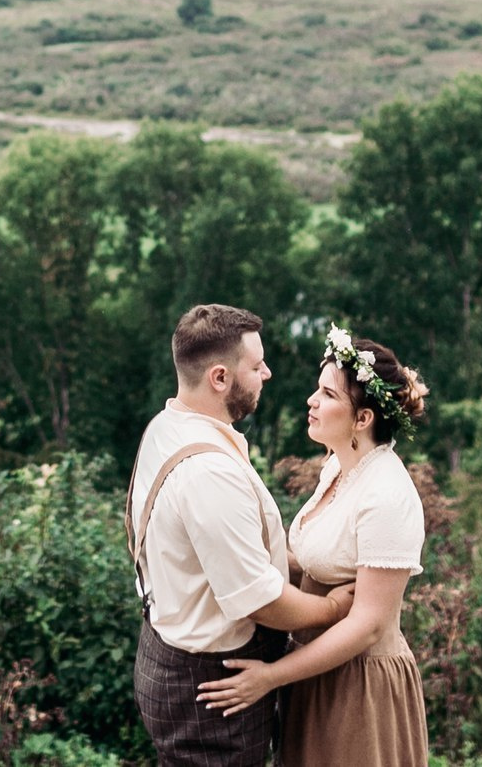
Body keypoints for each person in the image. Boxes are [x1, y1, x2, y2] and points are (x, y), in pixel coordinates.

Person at [131, 304, 358, 767]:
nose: (267, 374)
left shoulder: (166, 426)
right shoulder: (210, 474)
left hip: (167, 651)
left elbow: (215, 552)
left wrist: (305, 559)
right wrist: (332, 608)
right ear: (219, 378)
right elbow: (261, 601)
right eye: (256, 366)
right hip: (213, 690)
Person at [199, 325, 431, 767]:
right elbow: (311, 561)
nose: (312, 400)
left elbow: (368, 626)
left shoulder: (387, 495)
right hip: (314, 673)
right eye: (317, 389)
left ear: (362, 419)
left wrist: (270, 677)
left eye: (327, 394)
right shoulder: (337, 469)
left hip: (358, 686)